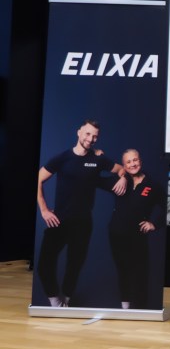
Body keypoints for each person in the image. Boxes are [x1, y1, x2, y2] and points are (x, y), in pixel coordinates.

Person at [36, 119, 127, 307]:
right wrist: (44, 210)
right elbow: (38, 179)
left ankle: (66, 300)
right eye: (87, 134)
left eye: (95, 136)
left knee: (75, 266)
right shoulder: (62, 158)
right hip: (59, 220)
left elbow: (121, 170)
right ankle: (55, 302)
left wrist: (123, 178)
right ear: (79, 132)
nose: (91, 139)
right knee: (44, 265)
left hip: (83, 223)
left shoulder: (98, 159)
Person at [107, 148, 164, 309]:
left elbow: (167, 207)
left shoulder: (152, 185)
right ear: (124, 166)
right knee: (123, 270)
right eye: (128, 162)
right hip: (116, 234)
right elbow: (95, 177)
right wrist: (98, 155)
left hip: (137, 236)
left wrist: (154, 224)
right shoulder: (119, 181)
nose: (133, 164)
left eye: (135, 160)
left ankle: (139, 309)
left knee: (139, 272)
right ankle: (125, 307)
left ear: (140, 161)